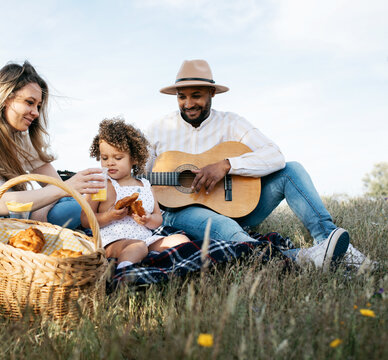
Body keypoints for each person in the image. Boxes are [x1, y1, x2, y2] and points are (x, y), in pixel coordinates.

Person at [144, 59, 368, 271]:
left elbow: (274, 156)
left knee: (292, 169)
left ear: (212, 93)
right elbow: (138, 174)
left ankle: (334, 244)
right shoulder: (158, 129)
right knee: (221, 224)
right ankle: (301, 258)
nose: (189, 103)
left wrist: (227, 165)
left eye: (196, 96)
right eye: (182, 97)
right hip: (179, 212)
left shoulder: (231, 122)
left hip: (238, 207)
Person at [0, 60, 105, 247]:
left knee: (81, 205)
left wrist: (43, 210)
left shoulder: (21, 140)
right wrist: (67, 187)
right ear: (5, 98)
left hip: (16, 219)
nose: (36, 113)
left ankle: (42, 237)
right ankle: (42, 238)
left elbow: (54, 186)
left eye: (38, 106)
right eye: (29, 103)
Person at [81, 118, 190, 270]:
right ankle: (124, 275)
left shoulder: (145, 185)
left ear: (134, 158)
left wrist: (148, 219)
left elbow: (158, 218)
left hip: (146, 238)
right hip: (114, 241)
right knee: (137, 247)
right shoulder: (102, 185)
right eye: (104, 158)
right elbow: (86, 219)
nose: (109, 162)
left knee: (180, 240)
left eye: (118, 158)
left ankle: (177, 265)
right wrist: (109, 216)